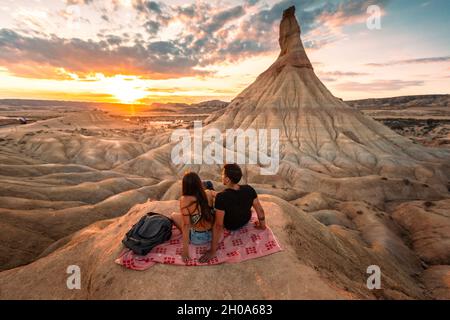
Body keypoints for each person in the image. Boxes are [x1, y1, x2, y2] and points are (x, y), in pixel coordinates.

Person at [199, 164, 266, 263]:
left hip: (231, 225)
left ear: (227, 179)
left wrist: (213, 251)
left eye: (223, 174)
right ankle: (210, 191)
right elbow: (260, 210)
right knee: (211, 189)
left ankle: (208, 192)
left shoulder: (222, 197)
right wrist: (262, 226)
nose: (221, 176)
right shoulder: (249, 189)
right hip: (245, 219)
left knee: (207, 194)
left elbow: (218, 225)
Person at [171, 172, 215, 262]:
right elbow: (223, 196)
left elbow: (186, 225)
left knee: (174, 215)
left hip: (197, 239)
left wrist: (185, 251)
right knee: (197, 216)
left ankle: (196, 222)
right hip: (212, 234)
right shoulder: (209, 193)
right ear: (199, 183)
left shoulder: (184, 200)